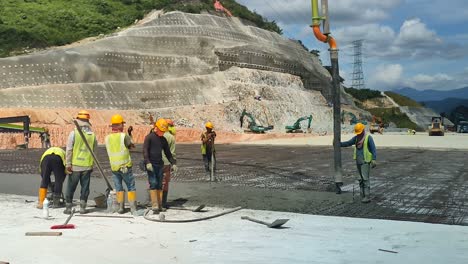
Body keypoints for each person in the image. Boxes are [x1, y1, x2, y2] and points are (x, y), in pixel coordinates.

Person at [64, 110, 98, 214]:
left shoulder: (73, 134)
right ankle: (83, 208)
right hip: (87, 166)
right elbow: (94, 152)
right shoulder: (92, 135)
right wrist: (92, 164)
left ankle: (69, 208)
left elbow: (69, 149)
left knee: (71, 187)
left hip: (75, 166)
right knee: (85, 188)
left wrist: (68, 164)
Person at [105, 114, 137, 215]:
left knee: (118, 188)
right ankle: (133, 208)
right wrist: (129, 134)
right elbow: (131, 146)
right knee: (131, 187)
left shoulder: (107, 138)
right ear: (119, 125)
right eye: (122, 124)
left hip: (114, 167)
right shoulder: (124, 136)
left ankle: (121, 208)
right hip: (125, 166)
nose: (123, 126)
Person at [143, 118, 177, 214]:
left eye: (164, 131)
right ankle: (155, 205)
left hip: (160, 165)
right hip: (151, 165)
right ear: (156, 128)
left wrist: (173, 163)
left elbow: (168, 153)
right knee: (153, 183)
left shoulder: (163, 140)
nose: (162, 132)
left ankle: (160, 205)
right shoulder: (149, 137)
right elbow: (145, 150)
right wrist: (147, 162)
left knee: (159, 185)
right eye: (161, 131)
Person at [341, 123, 377, 203]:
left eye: (359, 132)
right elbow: (348, 143)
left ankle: (367, 196)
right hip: (358, 161)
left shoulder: (368, 138)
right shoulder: (356, 138)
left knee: (365, 179)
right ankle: (362, 195)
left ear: (363, 130)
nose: (359, 134)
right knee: (360, 179)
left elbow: (373, 149)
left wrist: (374, 159)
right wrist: (339, 144)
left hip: (365, 161)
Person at [161, 119, 177, 208]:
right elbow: (172, 152)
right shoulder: (171, 137)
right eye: (171, 125)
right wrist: (174, 163)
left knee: (154, 182)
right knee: (165, 183)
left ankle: (155, 202)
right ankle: (163, 203)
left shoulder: (156, 135)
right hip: (166, 163)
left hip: (155, 163)